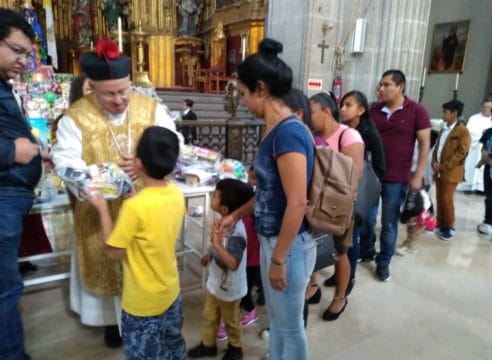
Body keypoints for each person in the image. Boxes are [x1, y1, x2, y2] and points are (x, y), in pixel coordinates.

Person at [52, 39, 182, 347]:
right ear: (92, 87)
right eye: (109, 93)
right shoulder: (76, 117)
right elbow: (64, 162)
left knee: (147, 269)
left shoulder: (150, 107)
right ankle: (113, 323)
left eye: (124, 90)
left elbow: (172, 141)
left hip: (147, 209)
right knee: (109, 264)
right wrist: (106, 177)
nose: (120, 99)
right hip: (101, 214)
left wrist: (142, 165)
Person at [219, 39, 315, 360]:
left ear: (260, 89)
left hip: (288, 246)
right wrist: (236, 216)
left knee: (290, 327)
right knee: (278, 321)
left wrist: (277, 260)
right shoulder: (272, 129)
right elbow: (268, 192)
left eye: (244, 93)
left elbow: (297, 203)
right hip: (275, 239)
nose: (243, 101)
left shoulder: (288, 133)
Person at [84, 126, 187, 359]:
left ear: (138, 164)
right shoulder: (177, 194)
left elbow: (113, 251)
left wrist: (102, 209)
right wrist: (134, 198)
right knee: (173, 347)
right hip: (171, 293)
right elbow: (154, 225)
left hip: (142, 303)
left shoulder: (135, 208)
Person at [0, 8, 49, 359]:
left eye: (27, 55)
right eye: (16, 51)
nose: (23, 60)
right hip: (4, 196)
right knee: (4, 288)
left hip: (12, 194)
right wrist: (10, 152)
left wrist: (33, 152)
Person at [360, 69, 431, 282]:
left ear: (400, 87)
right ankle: (367, 249)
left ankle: (383, 263)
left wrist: (418, 175)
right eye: (379, 85)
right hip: (372, 175)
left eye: (386, 85)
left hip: (396, 177)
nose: (381, 89)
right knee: (366, 219)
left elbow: (425, 144)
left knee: (389, 223)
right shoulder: (373, 110)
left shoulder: (416, 111)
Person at [309, 91, 364, 321]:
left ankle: (340, 296)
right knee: (309, 246)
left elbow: (355, 174)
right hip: (313, 203)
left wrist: (324, 161)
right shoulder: (312, 136)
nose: (308, 118)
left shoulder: (348, 136)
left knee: (340, 251)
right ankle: (311, 286)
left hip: (337, 206)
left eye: (311, 112)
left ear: (326, 112)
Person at [323, 90, 384, 293]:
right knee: (339, 237)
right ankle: (339, 273)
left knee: (352, 236)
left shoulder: (366, 133)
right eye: (342, 104)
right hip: (341, 191)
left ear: (361, 109)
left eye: (348, 105)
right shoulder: (342, 130)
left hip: (358, 191)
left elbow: (378, 166)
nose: (343, 109)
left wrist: (365, 189)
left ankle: (349, 278)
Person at [188, 178, 254, 360]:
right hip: (215, 283)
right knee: (209, 316)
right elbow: (219, 247)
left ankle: (236, 348)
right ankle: (208, 345)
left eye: (215, 195)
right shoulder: (222, 221)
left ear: (224, 208)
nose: (211, 196)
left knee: (232, 321)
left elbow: (233, 263)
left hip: (230, 289)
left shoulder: (237, 233)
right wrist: (210, 255)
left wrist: (216, 244)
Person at [432, 100, 471, 240]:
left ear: (454, 114)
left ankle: (449, 226)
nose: (442, 115)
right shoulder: (444, 129)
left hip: (451, 172)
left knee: (446, 199)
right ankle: (440, 223)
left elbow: (461, 153)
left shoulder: (463, 131)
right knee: (439, 198)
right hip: (439, 170)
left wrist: (443, 166)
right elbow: (437, 148)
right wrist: (434, 162)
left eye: (445, 112)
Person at [456, 98, 492, 193]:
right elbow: (468, 133)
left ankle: (481, 188)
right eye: (484, 106)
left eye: (488, 107)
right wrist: (482, 134)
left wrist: (488, 134)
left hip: (487, 150)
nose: (485, 109)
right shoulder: (474, 118)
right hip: (474, 148)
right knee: (471, 167)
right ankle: (468, 187)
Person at [477, 125, 492, 235]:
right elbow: (483, 147)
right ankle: (488, 222)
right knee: (489, 195)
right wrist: (484, 156)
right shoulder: (489, 131)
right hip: (489, 167)